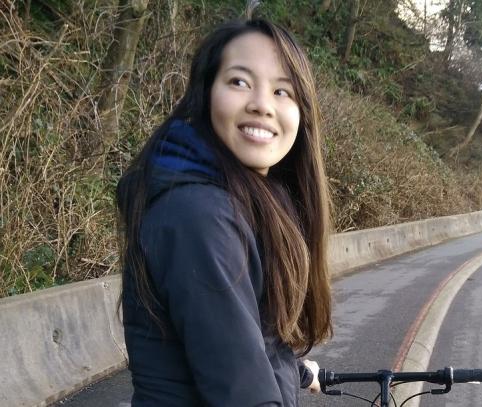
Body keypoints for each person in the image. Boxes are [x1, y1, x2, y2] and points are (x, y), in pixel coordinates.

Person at [116, 16, 333, 407]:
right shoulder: (200, 216)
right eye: (239, 81)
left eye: (283, 91)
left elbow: (243, 340)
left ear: (302, 114)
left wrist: (298, 371)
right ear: (205, 94)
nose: (262, 105)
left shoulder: (246, 199)